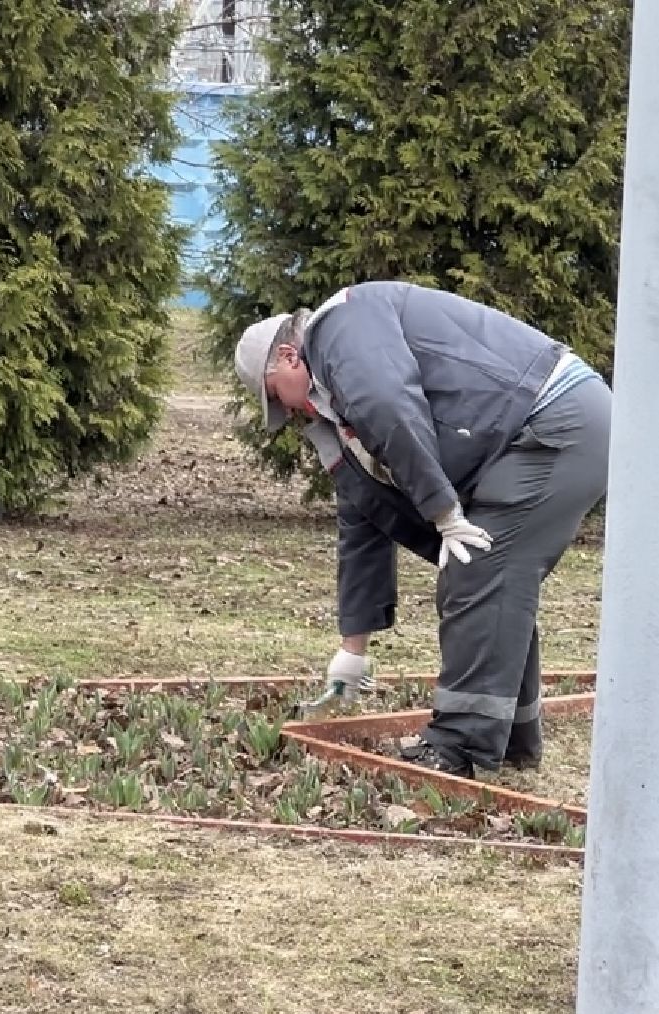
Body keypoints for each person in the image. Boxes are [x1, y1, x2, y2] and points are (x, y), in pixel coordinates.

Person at [233, 281, 612, 777]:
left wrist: (445, 515)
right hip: (535, 429)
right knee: (493, 576)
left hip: (556, 418)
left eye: (275, 398)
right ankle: (514, 737)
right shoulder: (334, 410)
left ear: (288, 357)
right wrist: (354, 649)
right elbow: (362, 521)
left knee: (480, 571)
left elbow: (390, 405)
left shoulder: (340, 330)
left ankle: (460, 746)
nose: (287, 414)